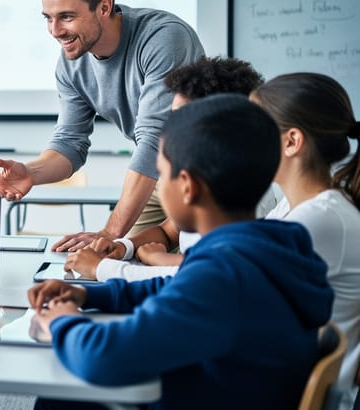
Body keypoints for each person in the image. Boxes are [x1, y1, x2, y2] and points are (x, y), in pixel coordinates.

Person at [28, 94, 333, 410]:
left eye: (162, 173)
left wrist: (62, 321)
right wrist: (88, 295)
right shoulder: (269, 242)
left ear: (187, 186)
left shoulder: (224, 275)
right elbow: (175, 285)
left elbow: (102, 357)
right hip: (232, 388)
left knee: (62, 395)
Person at [0, 0, 205, 252]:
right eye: (48, 18)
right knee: (121, 258)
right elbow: (70, 143)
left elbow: (154, 139)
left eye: (67, 17)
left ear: (104, 7)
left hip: (211, 172)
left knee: (194, 268)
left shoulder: (163, 38)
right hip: (162, 171)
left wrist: (110, 232)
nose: (55, 31)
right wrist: (31, 172)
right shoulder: (71, 63)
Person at [64, 56, 266, 281]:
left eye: (180, 115)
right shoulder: (207, 172)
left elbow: (202, 275)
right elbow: (168, 231)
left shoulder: (248, 194)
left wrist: (105, 268)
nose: (169, 126)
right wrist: (123, 248)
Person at [251, 73, 360, 410]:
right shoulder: (293, 207)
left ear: (292, 141)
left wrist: (109, 269)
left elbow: (221, 281)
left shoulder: (319, 219)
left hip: (284, 394)